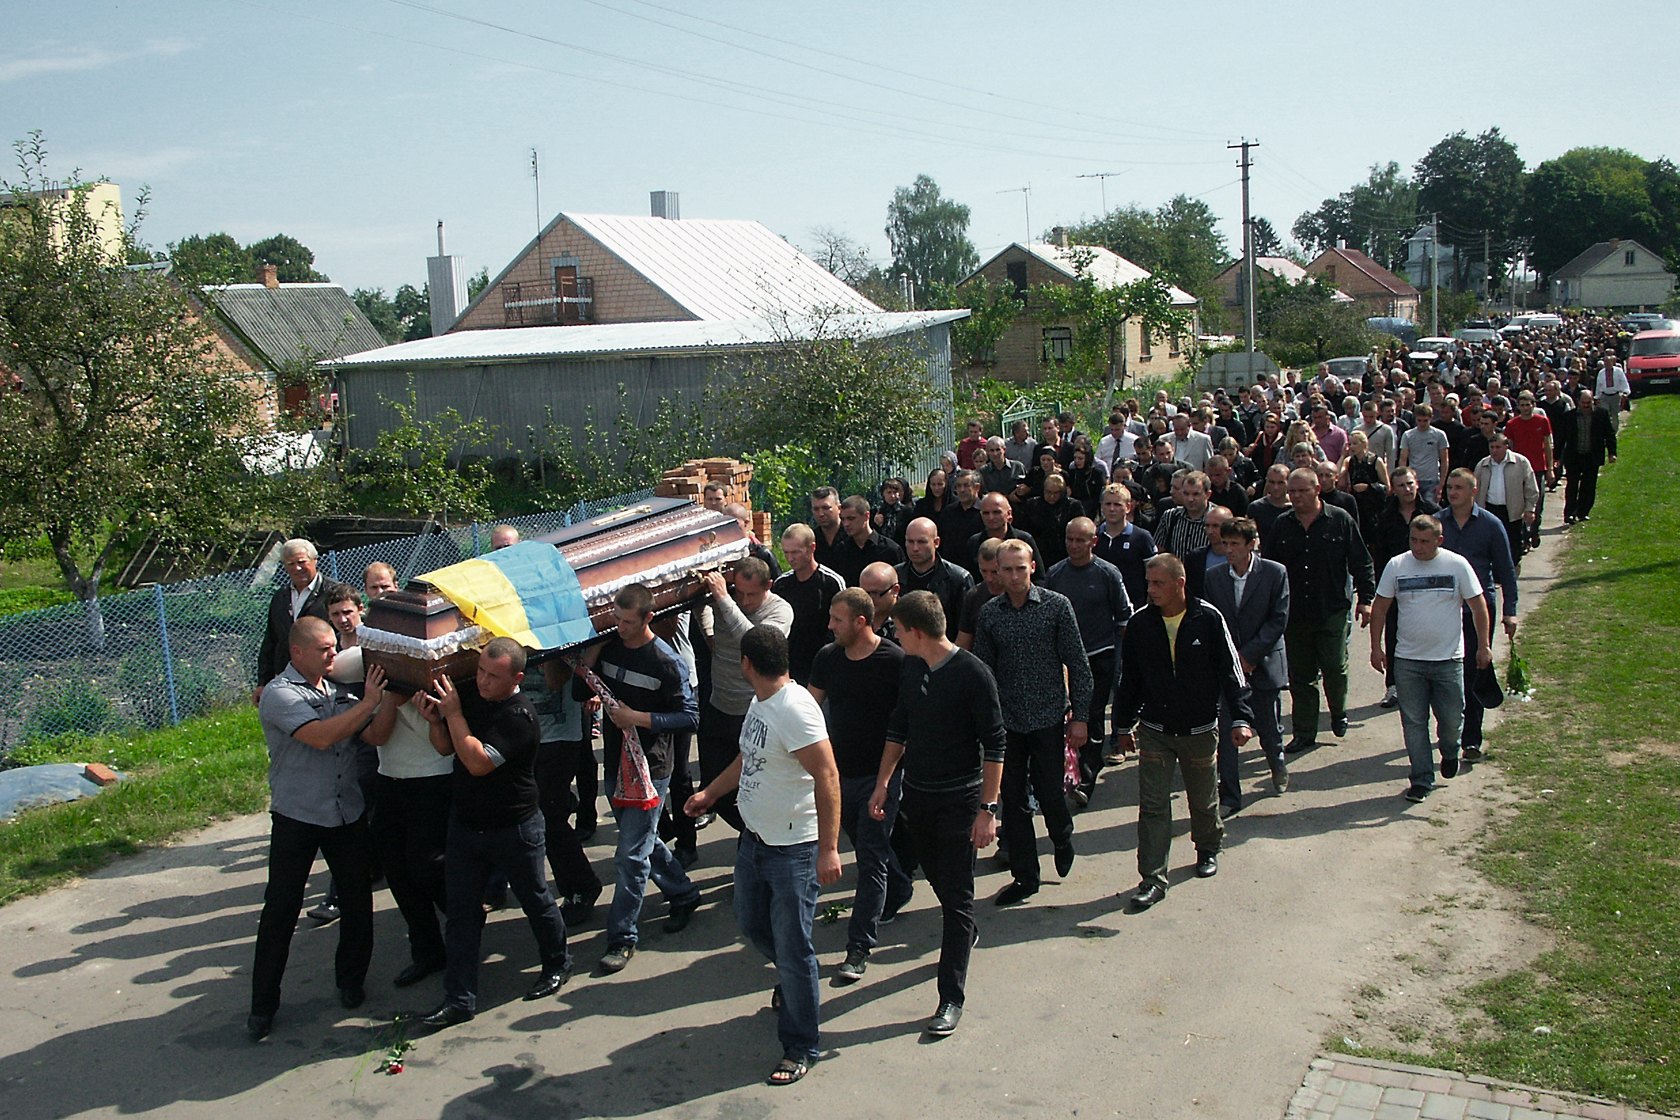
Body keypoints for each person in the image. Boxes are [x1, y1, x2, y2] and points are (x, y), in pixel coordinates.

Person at [685, 626, 842, 1087]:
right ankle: (797, 985)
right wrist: (710, 793)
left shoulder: (795, 711)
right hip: (754, 842)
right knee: (751, 921)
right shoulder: (761, 703)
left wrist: (829, 849)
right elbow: (746, 757)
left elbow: (828, 776)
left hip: (793, 851)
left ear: (747, 664)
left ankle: (800, 1044)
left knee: (794, 952)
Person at [416, 640, 573, 1029]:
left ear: (517, 679)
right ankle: (459, 998)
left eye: (493, 677)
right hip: (467, 824)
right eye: (481, 672)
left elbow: (477, 762)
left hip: (514, 827)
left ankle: (557, 963)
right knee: (462, 914)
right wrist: (438, 721)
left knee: (536, 899)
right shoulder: (468, 696)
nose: (483, 682)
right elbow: (443, 749)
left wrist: (452, 715)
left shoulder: (519, 716)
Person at [869, 591, 1005, 1037]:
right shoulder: (912, 667)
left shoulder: (971, 673)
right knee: (945, 887)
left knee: (957, 898)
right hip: (917, 797)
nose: (896, 637)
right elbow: (898, 725)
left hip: (959, 802)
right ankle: (964, 930)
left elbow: (995, 744)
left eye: (899, 630)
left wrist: (987, 809)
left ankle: (950, 997)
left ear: (916, 631)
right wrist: (884, 781)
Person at [248, 617, 387, 1041]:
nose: (333, 654)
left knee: (358, 903)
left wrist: (389, 701)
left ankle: (351, 981)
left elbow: (374, 736)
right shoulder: (279, 694)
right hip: (299, 815)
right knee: (281, 910)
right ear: (298, 652)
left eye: (334, 648)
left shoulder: (341, 691)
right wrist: (368, 703)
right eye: (325, 648)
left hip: (346, 813)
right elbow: (322, 737)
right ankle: (263, 1005)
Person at [572, 585, 704, 975]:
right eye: (616, 620)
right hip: (616, 765)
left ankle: (622, 937)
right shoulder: (610, 647)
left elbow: (690, 718)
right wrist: (594, 650)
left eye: (628, 622)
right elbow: (581, 689)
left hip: (651, 769)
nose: (620, 627)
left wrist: (639, 719)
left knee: (630, 855)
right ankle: (682, 893)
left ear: (649, 618)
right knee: (643, 841)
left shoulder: (668, 662)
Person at [1114, 555, 1253, 911]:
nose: (1150, 590)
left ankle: (1207, 847)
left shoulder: (1207, 618)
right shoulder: (1141, 624)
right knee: (1154, 806)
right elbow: (1129, 680)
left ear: (1180, 583)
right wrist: (1122, 725)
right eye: (1148, 583)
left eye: (1158, 583)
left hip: (1200, 729)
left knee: (1203, 799)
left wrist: (1241, 718)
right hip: (1155, 730)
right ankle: (1152, 878)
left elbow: (1231, 672)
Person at [973, 539, 1093, 906]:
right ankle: (1025, 876)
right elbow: (984, 671)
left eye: (1019, 568)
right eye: (1005, 569)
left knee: (1048, 790)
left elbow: (1078, 663)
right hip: (1007, 721)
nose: (1012, 576)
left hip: (1047, 715)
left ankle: (1062, 836)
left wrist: (1081, 717)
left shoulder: (1056, 607)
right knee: (1012, 798)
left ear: (1032, 568)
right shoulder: (990, 613)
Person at [808, 587, 908, 985]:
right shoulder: (828, 658)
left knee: (868, 857)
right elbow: (810, 708)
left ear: (861, 622)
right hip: (838, 776)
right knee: (870, 846)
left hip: (880, 776)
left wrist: (886, 780)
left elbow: (904, 724)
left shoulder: (893, 660)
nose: (830, 626)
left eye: (837, 620)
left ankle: (859, 947)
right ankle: (899, 887)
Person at [1369, 515, 1491, 803]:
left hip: (1448, 660)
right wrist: (1376, 647)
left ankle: (1450, 751)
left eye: (1425, 541)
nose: (1418, 547)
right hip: (1408, 661)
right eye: (1413, 540)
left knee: (1451, 719)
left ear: (1439, 540)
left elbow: (1478, 606)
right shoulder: (1397, 566)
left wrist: (1483, 645)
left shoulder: (1457, 565)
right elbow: (1380, 608)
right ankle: (1421, 778)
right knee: (1413, 722)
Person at [1269, 468, 1376, 754]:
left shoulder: (1339, 520)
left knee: (1334, 666)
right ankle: (1305, 731)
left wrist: (1366, 600)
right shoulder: (1282, 525)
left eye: (1303, 491)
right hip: (1295, 612)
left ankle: (1338, 711)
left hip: (1332, 609)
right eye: (1292, 492)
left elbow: (1361, 562)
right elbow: (1271, 569)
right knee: (1301, 675)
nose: (1297, 496)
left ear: (1317, 490)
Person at [697, 559, 792, 832]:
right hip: (718, 707)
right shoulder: (725, 598)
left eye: (752, 594)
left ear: (768, 586)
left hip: (753, 713)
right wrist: (709, 634)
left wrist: (725, 599)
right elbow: (701, 606)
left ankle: (761, 836)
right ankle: (753, 833)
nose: (745, 600)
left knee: (754, 786)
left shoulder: (780, 610)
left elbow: (756, 642)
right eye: (740, 593)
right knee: (717, 788)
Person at [1202, 518, 1290, 814]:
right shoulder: (1214, 577)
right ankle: (1230, 796)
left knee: (1268, 727)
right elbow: (1212, 620)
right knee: (1227, 733)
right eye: (1225, 544)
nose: (1228, 550)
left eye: (1235, 544)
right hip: (1228, 668)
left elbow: (1278, 619)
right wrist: (1229, 658)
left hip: (1262, 664)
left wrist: (1249, 656)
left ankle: (1276, 764)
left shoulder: (1275, 573)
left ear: (1251, 545)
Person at [1044, 517, 1132, 809]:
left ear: (1093, 542)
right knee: (1065, 720)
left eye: (1080, 540)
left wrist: (1120, 657)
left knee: (1091, 717)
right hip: (1064, 660)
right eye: (1070, 539)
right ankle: (1066, 772)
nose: (1074, 545)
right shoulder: (1056, 574)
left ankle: (1086, 779)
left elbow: (1124, 617)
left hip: (1099, 656)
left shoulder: (1107, 573)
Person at [1439, 469, 1519, 763]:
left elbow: (1506, 571)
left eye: (1459, 487)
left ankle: (1471, 738)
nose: (1453, 492)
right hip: (1444, 609)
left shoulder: (1490, 525)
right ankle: (1448, 729)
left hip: (1478, 610)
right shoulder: (1438, 523)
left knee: (1475, 670)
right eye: (1450, 487)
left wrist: (1511, 612)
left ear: (1474, 492)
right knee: (1446, 673)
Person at [1370, 467, 1437, 709]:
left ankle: (1429, 682)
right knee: (1394, 632)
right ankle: (1394, 686)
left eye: (1410, 484)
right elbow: (1380, 555)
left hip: (1429, 584)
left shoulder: (1432, 513)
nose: (1407, 489)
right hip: (1397, 585)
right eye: (1401, 485)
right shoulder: (1386, 517)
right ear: (1393, 489)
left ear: (1417, 484)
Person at [254, 538, 335, 703]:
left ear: (315, 561)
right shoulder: (280, 598)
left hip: (325, 678)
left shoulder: (333, 593)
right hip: (287, 679)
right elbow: (271, 640)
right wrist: (263, 682)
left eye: (302, 562)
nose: (297, 568)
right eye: (290, 564)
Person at [772, 524, 846, 684]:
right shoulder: (781, 584)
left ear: (812, 548)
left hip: (822, 664)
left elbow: (842, 623)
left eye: (796, 552)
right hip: (789, 665)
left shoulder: (832, 582)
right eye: (786, 553)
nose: (790, 558)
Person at [895, 516, 973, 641]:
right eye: (910, 542)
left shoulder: (958, 579)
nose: (915, 548)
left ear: (936, 542)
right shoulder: (895, 576)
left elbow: (966, 629)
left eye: (921, 542)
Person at [1474, 432, 1540, 567]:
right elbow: (1475, 489)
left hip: (1512, 511)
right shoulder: (1483, 465)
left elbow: (1531, 488)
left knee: (1513, 542)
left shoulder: (1520, 462)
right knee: (1491, 542)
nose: (1494, 450)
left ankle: (1513, 567)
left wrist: (1530, 509)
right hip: (1489, 508)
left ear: (1506, 446)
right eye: (1491, 447)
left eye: (1498, 447)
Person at [1556, 388, 1617, 524]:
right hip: (1574, 456)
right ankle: (1570, 513)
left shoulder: (1601, 414)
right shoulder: (1569, 417)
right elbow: (1561, 438)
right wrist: (1556, 459)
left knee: (1588, 486)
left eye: (1588, 403)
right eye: (1583, 403)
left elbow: (1609, 434)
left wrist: (1612, 453)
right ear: (1578, 402)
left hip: (1592, 456)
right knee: (1572, 485)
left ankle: (1583, 512)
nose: (1585, 406)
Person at [1094, 483, 1156, 612]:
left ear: (1128, 507)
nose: (1112, 509)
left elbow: (1153, 573)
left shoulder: (1142, 537)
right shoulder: (1094, 536)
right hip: (1100, 608)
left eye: (1117, 505)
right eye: (1108, 504)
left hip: (1135, 608)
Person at [964, 491, 1044, 581]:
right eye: (986, 513)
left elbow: (1039, 578)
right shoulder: (974, 542)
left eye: (996, 512)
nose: (991, 517)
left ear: (1009, 513)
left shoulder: (1024, 539)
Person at [955, 537, 1004, 651]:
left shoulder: (1017, 595)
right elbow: (963, 643)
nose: (989, 578)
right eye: (983, 571)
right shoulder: (974, 596)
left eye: (994, 572)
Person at [1153, 470, 1215, 560]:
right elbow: (1159, 550)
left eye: (1196, 494)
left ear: (1208, 494)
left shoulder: (1217, 519)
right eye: (1186, 494)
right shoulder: (1170, 516)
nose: (1190, 499)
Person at [1398, 403, 1450, 505]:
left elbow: (1445, 460)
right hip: (1413, 479)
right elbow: (1403, 458)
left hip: (1432, 479)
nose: (1422, 424)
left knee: (1430, 508)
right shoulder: (1408, 435)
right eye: (1419, 420)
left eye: (1425, 420)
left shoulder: (1439, 435)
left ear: (1431, 418)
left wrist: (1441, 485)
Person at [1246, 463, 1293, 547]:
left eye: (1280, 483)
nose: (1276, 487)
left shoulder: (1297, 507)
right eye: (1272, 482)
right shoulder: (1256, 508)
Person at [1594, 352, 1630, 434]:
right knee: (1604, 414)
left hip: (1615, 396)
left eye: (1608, 362)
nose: (1607, 364)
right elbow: (1598, 385)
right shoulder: (1601, 373)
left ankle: (1614, 432)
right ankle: (1606, 430)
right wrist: (1597, 397)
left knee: (1615, 415)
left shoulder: (1618, 371)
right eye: (1605, 362)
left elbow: (1624, 382)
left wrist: (1626, 392)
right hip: (1604, 396)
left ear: (1612, 362)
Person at [808, 487, 844, 570]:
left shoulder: (853, 536)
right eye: (816, 509)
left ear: (839, 508)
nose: (821, 514)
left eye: (826, 508)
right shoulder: (811, 539)